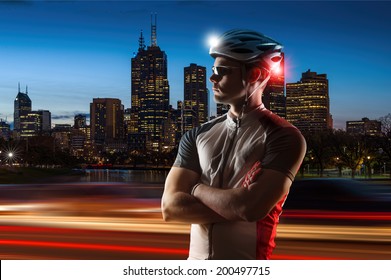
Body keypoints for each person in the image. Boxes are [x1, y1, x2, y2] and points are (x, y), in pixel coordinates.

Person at [161, 29, 306, 260]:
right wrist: (235, 201)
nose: (212, 78)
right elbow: (170, 208)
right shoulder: (197, 135)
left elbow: (250, 208)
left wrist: (195, 189)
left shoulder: (284, 136)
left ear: (254, 75)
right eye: (212, 70)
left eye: (221, 71)